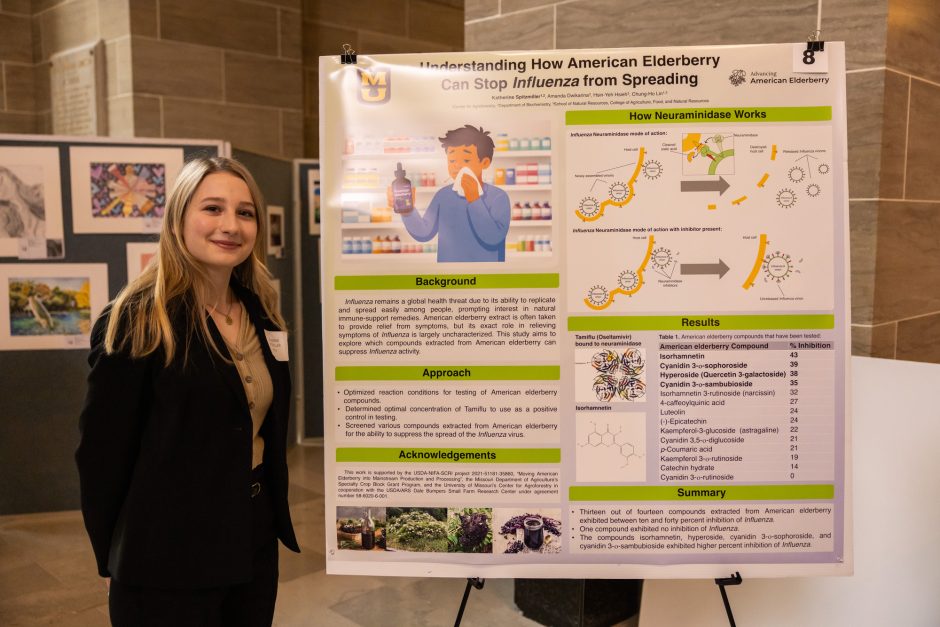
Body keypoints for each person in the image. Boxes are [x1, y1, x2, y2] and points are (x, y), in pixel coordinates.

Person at [75, 156, 299, 627]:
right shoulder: (139, 319)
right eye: (212, 208)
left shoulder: (262, 312)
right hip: (167, 553)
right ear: (179, 217)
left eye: (245, 212)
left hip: (252, 537)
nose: (230, 226)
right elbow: (101, 452)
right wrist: (117, 553)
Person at [394, 125, 511, 262]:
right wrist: (408, 211)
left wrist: (475, 200)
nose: (457, 165)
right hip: (449, 275)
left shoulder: (498, 197)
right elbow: (424, 233)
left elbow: (494, 239)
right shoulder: (443, 195)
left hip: (486, 274)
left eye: (466, 160)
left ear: (484, 163)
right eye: (452, 160)